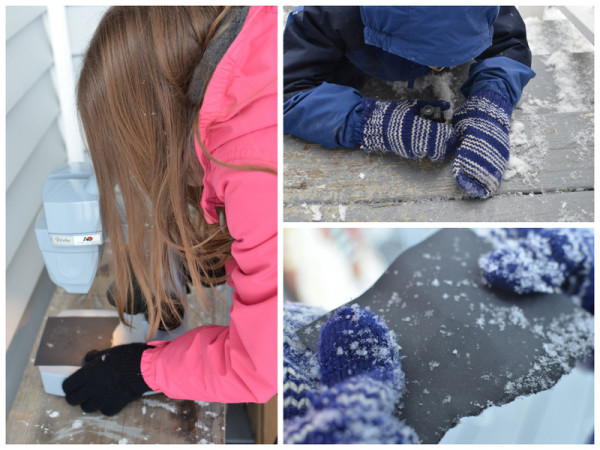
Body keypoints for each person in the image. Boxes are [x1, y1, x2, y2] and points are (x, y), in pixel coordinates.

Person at [62, 6, 277, 416]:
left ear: (158, 121)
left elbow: (257, 366)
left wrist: (139, 371)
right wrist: (220, 259)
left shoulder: (246, 161)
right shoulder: (252, 47)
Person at [283, 6, 536, 198]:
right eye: (435, 58)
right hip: (355, 59)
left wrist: (491, 101)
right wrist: (370, 122)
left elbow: (508, 44)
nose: (441, 68)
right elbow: (287, 92)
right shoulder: (325, 14)